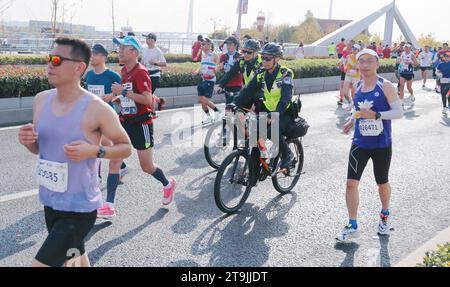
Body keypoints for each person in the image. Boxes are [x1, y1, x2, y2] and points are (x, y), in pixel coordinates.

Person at [19, 37, 132, 267]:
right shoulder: (41, 100)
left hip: (80, 208)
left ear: (79, 67)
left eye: (57, 60)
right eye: (49, 59)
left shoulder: (97, 108)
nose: (50, 64)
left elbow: (126, 147)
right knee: (76, 258)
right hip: (50, 201)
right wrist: (28, 141)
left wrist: (94, 150)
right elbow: (40, 149)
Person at [337, 49, 403, 242]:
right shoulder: (357, 86)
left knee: (381, 184)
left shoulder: (386, 86)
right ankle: (353, 225)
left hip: (381, 143)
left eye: (369, 61)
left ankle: (384, 215)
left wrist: (377, 115)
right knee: (351, 183)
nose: (365, 65)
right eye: (362, 61)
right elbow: (358, 110)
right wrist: (352, 120)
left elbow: (398, 112)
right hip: (360, 142)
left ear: (377, 64)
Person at [112, 36, 176, 206]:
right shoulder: (124, 70)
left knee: (147, 167)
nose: (119, 51)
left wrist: (123, 93)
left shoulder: (141, 72)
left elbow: (147, 100)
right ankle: (109, 203)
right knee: (112, 146)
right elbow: (131, 94)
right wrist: (121, 99)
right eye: (119, 48)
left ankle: (168, 184)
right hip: (126, 119)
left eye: (123, 48)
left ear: (134, 52)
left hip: (142, 124)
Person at [229, 43, 297, 171]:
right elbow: (247, 90)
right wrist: (235, 103)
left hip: (285, 111)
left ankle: (287, 154)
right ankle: (255, 172)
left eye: (268, 58)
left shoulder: (285, 74)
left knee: (272, 131)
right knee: (254, 135)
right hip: (267, 110)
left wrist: (276, 113)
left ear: (277, 59)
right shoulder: (260, 74)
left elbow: (286, 97)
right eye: (263, 57)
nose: (264, 61)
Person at [85, 43, 130, 220]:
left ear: (104, 56)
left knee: (105, 150)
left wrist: (112, 96)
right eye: (90, 54)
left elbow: (123, 93)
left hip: (109, 119)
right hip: (91, 119)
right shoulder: (88, 75)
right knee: (98, 149)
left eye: (94, 54)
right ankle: (112, 171)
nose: (91, 57)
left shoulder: (112, 75)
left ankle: (109, 203)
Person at [195, 37, 221, 125]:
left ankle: (217, 111)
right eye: (201, 44)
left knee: (205, 100)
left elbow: (219, 65)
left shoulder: (214, 55)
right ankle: (208, 116)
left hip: (210, 80)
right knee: (201, 100)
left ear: (209, 45)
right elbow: (202, 65)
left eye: (203, 44)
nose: (201, 45)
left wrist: (213, 72)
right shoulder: (202, 55)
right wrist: (198, 70)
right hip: (202, 79)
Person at [142, 33, 167, 111]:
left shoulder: (157, 51)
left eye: (148, 38)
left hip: (154, 75)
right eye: (146, 38)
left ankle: (151, 112)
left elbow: (164, 63)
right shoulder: (144, 49)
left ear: (153, 40)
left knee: (148, 94)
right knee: (146, 93)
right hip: (145, 74)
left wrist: (155, 63)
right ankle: (159, 101)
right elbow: (142, 61)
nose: (146, 40)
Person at [218, 36, 243, 104]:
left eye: (230, 44)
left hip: (237, 84)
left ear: (235, 45)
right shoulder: (223, 57)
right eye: (227, 44)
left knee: (236, 104)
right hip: (227, 84)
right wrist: (221, 68)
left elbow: (243, 71)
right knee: (228, 104)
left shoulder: (240, 56)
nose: (228, 46)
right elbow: (222, 72)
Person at [397, 43, 419, 107]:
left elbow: (416, 64)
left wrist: (411, 62)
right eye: (405, 47)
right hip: (403, 72)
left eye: (408, 47)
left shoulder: (412, 55)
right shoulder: (402, 53)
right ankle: (401, 101)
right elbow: (400, 61)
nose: (406, 48)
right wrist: (398, 61)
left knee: (409, 88)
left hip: (409, 73)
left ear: (410, 48)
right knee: (401, 87)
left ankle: (412, 94)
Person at [342, 44, 362, 111]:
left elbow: (362, 67)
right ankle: (350, 102)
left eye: (355, 49)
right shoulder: (348, 57)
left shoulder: (360, 58)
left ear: (358, 50)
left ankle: (354, 107)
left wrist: (357, 67)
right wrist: (345, 69)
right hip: (348, 76)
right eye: (353, 48)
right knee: (345, 93)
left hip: (356, 77)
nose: (353, 50)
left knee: (354, 94)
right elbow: (344, 65)